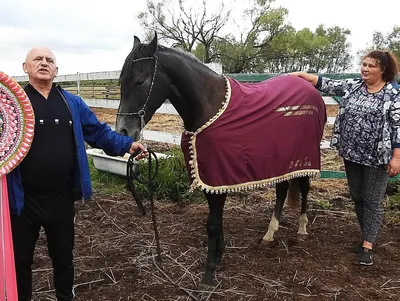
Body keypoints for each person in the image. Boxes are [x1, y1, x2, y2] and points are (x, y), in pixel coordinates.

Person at [7, 46, 147, 301]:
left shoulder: (71, 103)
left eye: (49, 60)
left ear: (56, 70)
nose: (44, 63)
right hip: (22, 200)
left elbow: (98, 133)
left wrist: (127, 145)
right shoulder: (13, 107)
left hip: (61, 198)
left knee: (63, 259)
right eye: (37, 59)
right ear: (25, 67)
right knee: (20, 262)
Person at [289, 50, 400, 266]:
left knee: (372, 201)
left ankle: (367, 247)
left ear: (383, 70)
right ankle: (365, 237)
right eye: (364, 64)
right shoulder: (354, 86)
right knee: (357, 197)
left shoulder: (394, 94)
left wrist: (397, 157)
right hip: (351, 153)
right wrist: (302, 75)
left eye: (371, 66)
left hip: (378, 157)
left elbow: (399, 127)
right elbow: (325, 83)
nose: (365, 69)